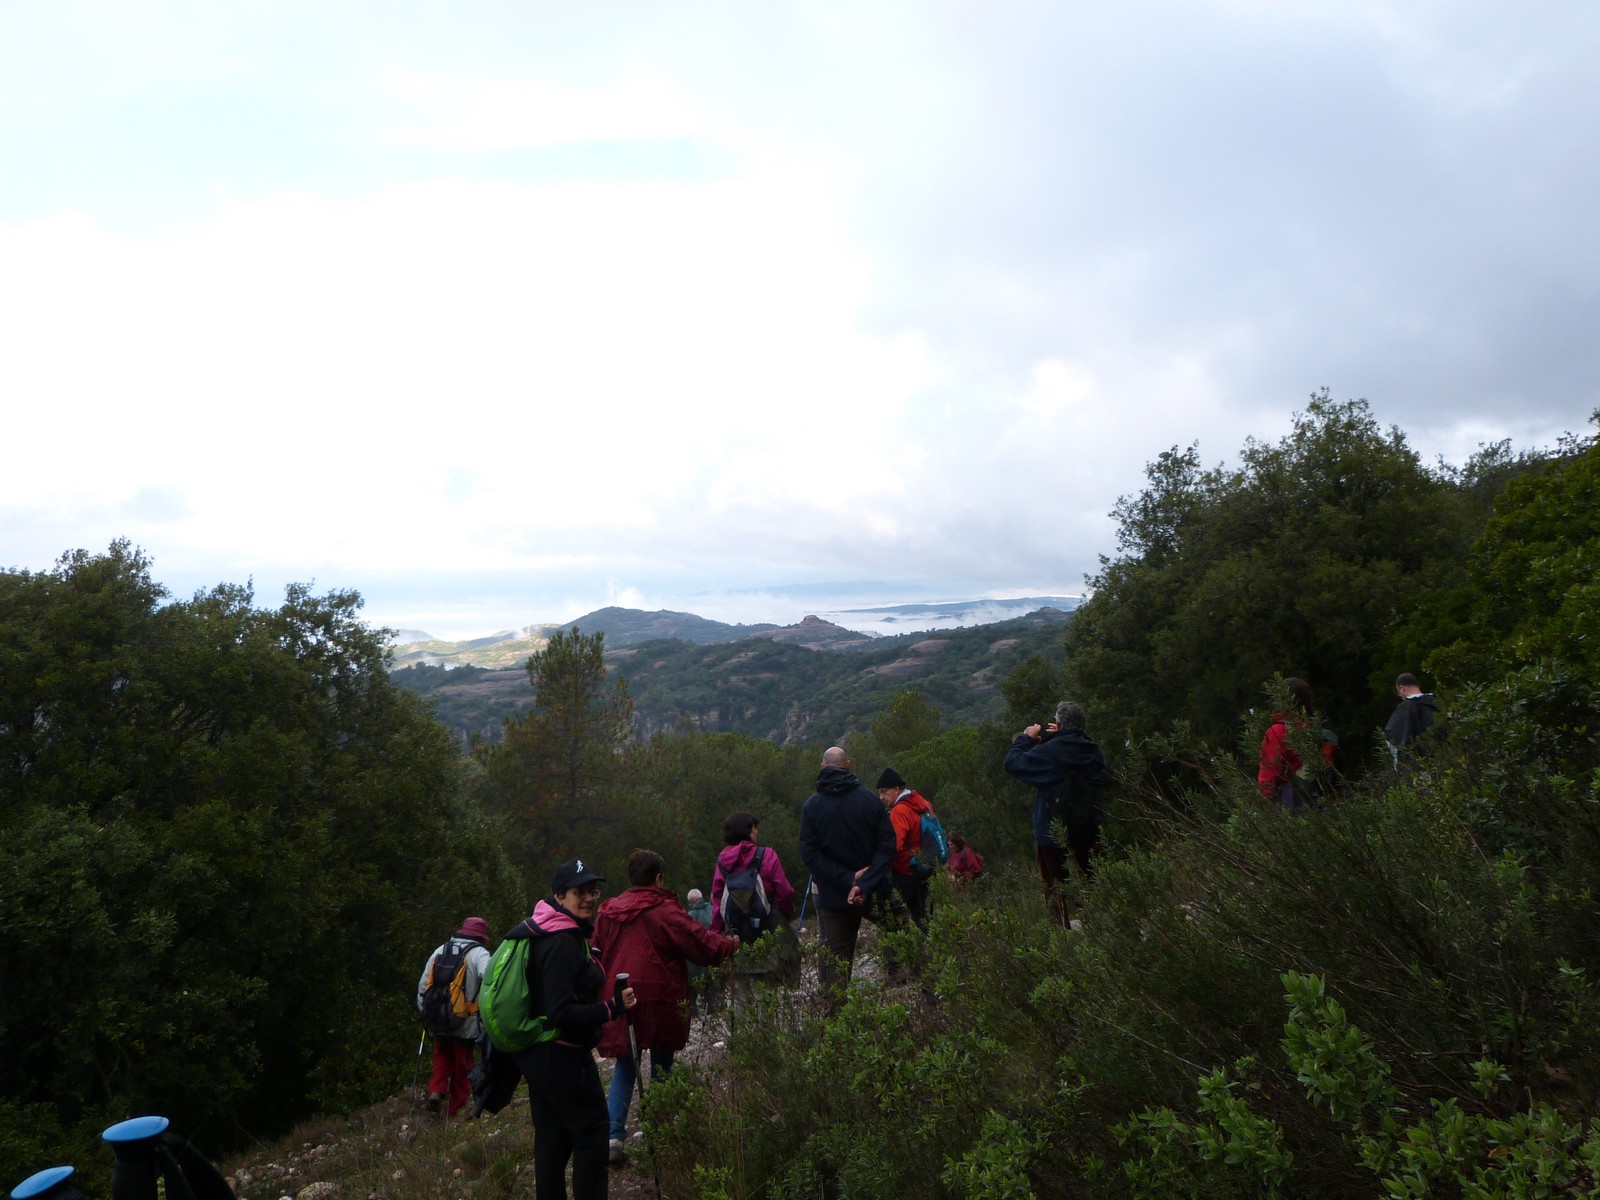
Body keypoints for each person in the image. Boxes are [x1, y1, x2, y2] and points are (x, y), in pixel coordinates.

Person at [594, 850, 739, 1164]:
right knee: (662, 1063)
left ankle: (612, 1137)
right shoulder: (665, 909)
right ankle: (659, 1131)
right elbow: (701, 944)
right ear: (658, 878)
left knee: (625, 1065)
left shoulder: (609, 911)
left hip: (621, 994)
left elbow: (596, 953)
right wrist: (730, 945)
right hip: (661, 995)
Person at [506, 860, 636, 1200]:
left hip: (540, 1056)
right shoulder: (562, 940)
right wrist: (610, 1008)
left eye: (593, 891)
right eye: (580, 892)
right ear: (559, 895)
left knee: (552, 1139)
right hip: (564, 1056)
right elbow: (560, 1012)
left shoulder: (544, 930)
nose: (589, 898)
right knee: (592, 1135)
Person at [798, 746, 905, 996]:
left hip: (835, 896)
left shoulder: (812, 807)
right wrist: (865, 881)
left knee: (836, 961)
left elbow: (810, 855)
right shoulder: (870, 800)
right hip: (876, 889)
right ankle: (930, 996)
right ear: (848, 765)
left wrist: (847, 879)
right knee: (905, 933)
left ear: (823, 767)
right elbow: (888, 846)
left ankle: (834, 1014)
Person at [1003, 701, 1107, 927]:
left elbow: (1013, 762)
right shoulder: (1093, 751)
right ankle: (1100, 930)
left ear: (1059, 724)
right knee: (1090, 884)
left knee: (1053, 890)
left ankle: (1061, 937)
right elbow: (1074, 753)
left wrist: (1026, 738)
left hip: (1052, 831)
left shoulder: (1049, 753)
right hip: (1088, 828)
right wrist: (1060, 736)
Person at [415, 917, 493, 1116]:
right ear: (481, 936)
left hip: (439, 1018)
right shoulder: (479, 954)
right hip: (466, 1022)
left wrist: (425, 1011)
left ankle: (436, 1089)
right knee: (463, 1065)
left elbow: (424, 983)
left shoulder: (440, 950)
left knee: (441, 1056)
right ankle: (455, 1109)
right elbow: (491, 979)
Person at [710, 811, 797, 937]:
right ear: (748, 831)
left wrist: (716, 932)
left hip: (735, 933)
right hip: (766, 928)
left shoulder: (723, 861)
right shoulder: (767, 855)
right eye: (755, 828)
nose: (757, 832)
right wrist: (786, 913)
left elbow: (717, 898)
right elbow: (785, 892)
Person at [1257, 677, 1336, 807]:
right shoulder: (1314, 728)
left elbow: (1270, 773)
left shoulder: (1278, 731)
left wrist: (1262, 805)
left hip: (1293, 802)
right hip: (1322, 801)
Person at [876, 767, 934, 928]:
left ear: (896, 789)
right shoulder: (924, 803)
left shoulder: (899, 811)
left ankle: (911, 943)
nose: (881, 797)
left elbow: (894, 846)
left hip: (906, 872)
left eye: (884, 791)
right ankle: (931, 940)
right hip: (925, 867)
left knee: (896, 918)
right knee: (920, 913)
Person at [1384, 673, 1438, 766]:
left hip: (1422, 766)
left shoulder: (1405, 708)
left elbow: (1395, 738)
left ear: (1402, 688)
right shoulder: (1438, 702)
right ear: (1418, 686)